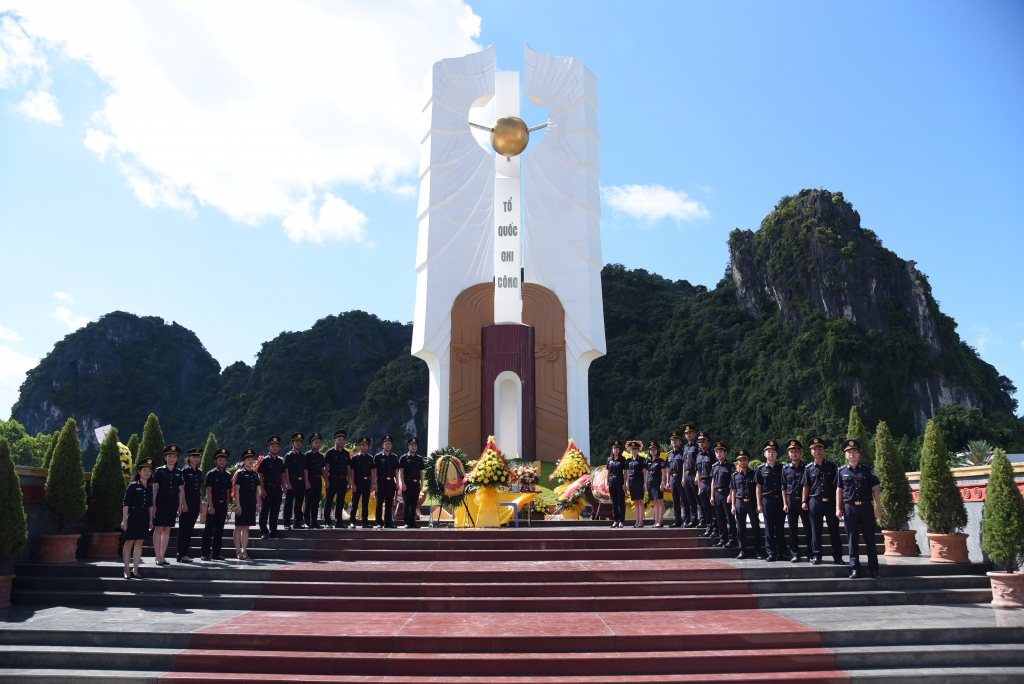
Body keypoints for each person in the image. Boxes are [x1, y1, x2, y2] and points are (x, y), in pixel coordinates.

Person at [837, 439, 882, 579]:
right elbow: (839, 490)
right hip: (850, 508)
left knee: (870, 539)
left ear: (859, 454)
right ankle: (855, 568)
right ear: (845, 455)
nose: (852, 454)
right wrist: (838, 508)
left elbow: (875, 488)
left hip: (866, 507)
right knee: (852, 539)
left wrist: (878, 506)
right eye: (849, 452)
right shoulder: (841, 471)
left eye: (854, 452)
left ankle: (873, 569)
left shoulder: (867, 470)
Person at [801, 437, 844, 565]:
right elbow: (806, 486)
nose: (817, 451)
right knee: (815, 530)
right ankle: (816, 555)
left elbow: (838, 486)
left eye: (820, 448)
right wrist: (804, 501)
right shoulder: (808, 468)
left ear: (824, 450)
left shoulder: (832, 466)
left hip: (830, 502)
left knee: (834, 530)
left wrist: (839, 504)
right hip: (815, 501)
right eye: (815, 449)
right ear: (811, 452)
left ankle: (837, 556)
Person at [121, 456, 155, 579]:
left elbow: (150, 504)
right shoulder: (133, 485)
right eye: (144, 470)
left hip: (144, 516)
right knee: (129, 542)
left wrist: (150, 520)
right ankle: (126, 569)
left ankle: (135, 569)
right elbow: (126, 503)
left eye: (149, 471)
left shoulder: (150, 487)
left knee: (139, 542)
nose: (147, 473)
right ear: (139, 472)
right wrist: (124, 519)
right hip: (134, 515)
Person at [151, 445, 185, 566]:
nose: (172, 458)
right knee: (158, 528)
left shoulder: (179, 472)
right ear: (165, 457)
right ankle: (157, 556)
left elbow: (181, 490)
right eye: (169, 456)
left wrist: (179, 505)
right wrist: (153, 505)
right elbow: (155, 489)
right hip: (161, 502)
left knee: (167, 529)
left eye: (174, 456)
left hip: (172, 503)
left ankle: (162, 555)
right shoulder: (160, 471)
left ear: (177, 458)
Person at [756, 440, 786, 562]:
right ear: (764, 454)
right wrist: (759, 503)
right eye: (768, 451)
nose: (771, 454)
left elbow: (784, 486)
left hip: (779, 500)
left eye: (773, 451)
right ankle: (771, 553)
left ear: (777, 454)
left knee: (780, 528)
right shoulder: (760, 469)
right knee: (768, 528)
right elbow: (758, 487)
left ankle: (782, 552)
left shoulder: (782, 468)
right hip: (767, 500)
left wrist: (785, 503)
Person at [729, 449, 763, 559]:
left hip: (752, 503)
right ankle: (742, 550)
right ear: (737, 462)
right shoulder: (734, 475)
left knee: (755, 527)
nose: (742, 462)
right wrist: (733, 505)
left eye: (744, 460)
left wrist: (759, 504)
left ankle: (758, 551)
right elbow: (733, 491)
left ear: (748, 461)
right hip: (740, 503)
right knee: (740, 528)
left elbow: (758, 489)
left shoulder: (754, 473)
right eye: (740, 460)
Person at [782, 439, 811, 563]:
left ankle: (811, 553)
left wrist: (805, 501)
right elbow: (783, 486)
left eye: (796, 451)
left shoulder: (807, 468)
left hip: (804, 501)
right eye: (791, 452)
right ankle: (795, 554)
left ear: (800, 453)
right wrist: (784, 503)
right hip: (791, 500)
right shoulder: (785, 469)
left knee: (808, 528)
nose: (794, 454)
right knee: (792, 529)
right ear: (788, 454)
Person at [201, 448, 232, 561]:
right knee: (209, 529)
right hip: (213, 504)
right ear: (216, 461)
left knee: (219, 530)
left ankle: (216, 553)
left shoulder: (227, 475)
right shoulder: (211, 474)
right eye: (220, 459)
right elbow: (208, 490)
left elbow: (228, 491)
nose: (222, 461)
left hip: (223, 505)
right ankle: (205, 553)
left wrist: (227, 506)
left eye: (224, 460)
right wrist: (210, 506)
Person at [176, 447, 204, 563]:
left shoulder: (199, 471)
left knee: (190, 528)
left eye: (198, 457)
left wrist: (201, 503)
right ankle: (180, 553)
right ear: (189, 458)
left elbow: (200, 489)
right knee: (184, 528)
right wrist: (183, 503)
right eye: (193, 457)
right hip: (186, 501)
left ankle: (184, 553)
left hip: (195, 502)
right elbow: (181, 489)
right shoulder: (185, 471)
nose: (196, 459)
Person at [257, 435, 286, 539]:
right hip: (267, 488)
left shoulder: (279, 460)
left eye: (277, 446)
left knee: (275, 510)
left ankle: (273, 531)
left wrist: (284, 487)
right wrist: (262, 489)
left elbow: (282, 475)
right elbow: (260, 475)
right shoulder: (265, 460)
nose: (275, 448)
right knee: (265, 510)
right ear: (268, 447)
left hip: (277, 488)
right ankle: (263, 531)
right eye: (273, 446)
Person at [233, 448, 260, 561]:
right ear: (243, 461)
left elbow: (256, 491)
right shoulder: (240, 473)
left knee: (246, 527)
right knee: (239, 526)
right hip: (242, 501)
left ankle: (245, 550)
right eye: (248, 459)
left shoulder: (254, 474)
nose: (250, 461)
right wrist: (238, 505)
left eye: (252, 459)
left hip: (250, 502)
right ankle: (238, 550)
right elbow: (236, 490)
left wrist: (258, 504)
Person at [710, 442, 737, 548]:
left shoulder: (730, 466)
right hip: (717, 493)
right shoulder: (714, 466)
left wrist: (730, 494)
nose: (719, 454)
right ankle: (723, 539)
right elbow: (713, 481)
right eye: (717, 452)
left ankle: (732, 539)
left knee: (730, 518)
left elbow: (733, 482)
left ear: (725, 453)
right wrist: (712, 495)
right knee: (720, 517)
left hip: (727, 493)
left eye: (721, 451)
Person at [323, 429, 351, 528]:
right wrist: (326, 480)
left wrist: (349, 481)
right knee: (329, 500)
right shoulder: (330, 452)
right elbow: (326, 467)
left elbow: (348, 468)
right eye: (339, 439)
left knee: (340, 501)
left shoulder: (346, 453)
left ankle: (339, 522)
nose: (341, 441)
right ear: (335, 440)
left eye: (343, 440)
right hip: (332, 478)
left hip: (343, 479)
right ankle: (327, 521)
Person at [374, 434, 401, 529]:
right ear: (383, 445)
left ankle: (388, 522)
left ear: (391, 445)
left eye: (389, 444)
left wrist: (397, 483)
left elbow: (396, 470)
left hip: (390, 483)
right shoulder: (377, 457)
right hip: (380, 481)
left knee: (389, 503)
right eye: (386, 444)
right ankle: (379, 522)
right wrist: (374, 483)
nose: (387, 445)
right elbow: (375, 470)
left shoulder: (394, 457)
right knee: (379, 502)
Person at [398, 437, 424, 528]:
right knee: (407, 503)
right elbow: (401, 471)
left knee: (414, 503)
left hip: (416, 483)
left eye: (415, 446)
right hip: (407, 483)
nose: (413, 447)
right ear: (408, 447)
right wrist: (402, 483)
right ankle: (406, 522)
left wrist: (422, 483)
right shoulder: (404, 458)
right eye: (412, 446)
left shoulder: (419, 458)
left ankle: (413, 521)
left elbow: (421, 472)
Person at [283, 433, 307, 529]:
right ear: (293, 443)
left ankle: (297, 522)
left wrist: (306, 481)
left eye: (300, 442)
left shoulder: (303, 456)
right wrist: (287, 483)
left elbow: (305, 469)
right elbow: (286, 470)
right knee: (289, 502)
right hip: (292, 480)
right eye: (296, 442)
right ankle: (287, 522)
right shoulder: (288, 455)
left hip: (301, 481)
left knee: (299, 502)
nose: (299, 443)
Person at [349, 437, 374, 529]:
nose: (364, 447)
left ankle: (365, 522)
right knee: (355, 502)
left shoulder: (370, 458)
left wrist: (373, 483)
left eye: (366, 445)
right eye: (363, 445)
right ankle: (352, 522)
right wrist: (352, 483)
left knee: (365, 503)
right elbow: (352, 471)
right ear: (360, 446)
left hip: (367, 481)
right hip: (357, 481)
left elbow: (372, 471)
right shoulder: (355, 458)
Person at [695, 431, 716, 537]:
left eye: (703, 441)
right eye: (699, 441)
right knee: (705, 507)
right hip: (702, 484)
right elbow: (698, 472)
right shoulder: (698, 456)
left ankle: (715, 529)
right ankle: (708, 528)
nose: (701, 443)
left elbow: (715, 473)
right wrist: (699, 487)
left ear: (707, 442)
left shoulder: (712, 455)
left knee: (713, 508)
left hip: (710, 483)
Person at [666, 430, 689, 527]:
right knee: (675, 501)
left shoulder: (683, 452)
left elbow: (685, 465)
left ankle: (687, 520)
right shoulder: (670, 454)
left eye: (676, 440)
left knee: (684, 500)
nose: (674, 442)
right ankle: (677, 521)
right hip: (672, 477)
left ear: (680, 441)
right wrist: (667, 481)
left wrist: (683, 478)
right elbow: (668, 468)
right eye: (672, 440)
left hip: (680, 477)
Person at [304, 432, 326, 528]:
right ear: (311, 443)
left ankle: (314, 522)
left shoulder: (321, 456)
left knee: (316, 501)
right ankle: (307, 521)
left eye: (319, 442)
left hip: (318, 479)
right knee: (308, 501)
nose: (318, 444)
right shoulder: (307, 455)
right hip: (310, 478)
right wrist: (306, 481)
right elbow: (305, 469)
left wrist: (326, 480)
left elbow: (322, 469)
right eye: (316, 442)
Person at [680, 425, 701, 527]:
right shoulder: (685, 447)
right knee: (690, 499)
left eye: (690, 433)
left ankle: (702, 520)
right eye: (686, 433)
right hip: (687, 475)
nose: (688, 435)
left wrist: (697, 474)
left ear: (694, 434)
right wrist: (683, 477)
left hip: (694, 474)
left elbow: (699, 462)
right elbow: (684, 462)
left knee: (698, 499)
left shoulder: (697, 446)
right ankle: (693, 520)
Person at [625, 440, 648, 528]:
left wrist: (645, 483)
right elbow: (626, 473)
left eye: (635, 450)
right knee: (635, 501)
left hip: (639, 481)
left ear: (638, 451)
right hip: (631, 481)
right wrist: (626, 483)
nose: (634, 451)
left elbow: (645, 472)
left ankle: (641, 521)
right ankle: (637, 520)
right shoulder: (628, 460)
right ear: (630, 451)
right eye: (632, 450)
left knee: (640, 501)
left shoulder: (642, 460)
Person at [605, 440, 627, 528]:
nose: (616, 450)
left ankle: (621, 521)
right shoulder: (609, 460)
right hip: (611, 481)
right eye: (614, 448)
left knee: (621, 502)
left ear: (620, 450)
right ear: (612, 450)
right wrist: (607, 483)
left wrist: (625, 483)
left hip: (619, 480)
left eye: (617, 448)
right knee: (614, 502)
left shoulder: (622, 460)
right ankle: (615, 520)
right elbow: (607, 472)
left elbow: (625, 473)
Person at [646, 441, 668, 527]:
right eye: (651, 450)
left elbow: (663, 473)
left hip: (658, 481)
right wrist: (646, 483)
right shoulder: (648, 461)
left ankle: (660, 521)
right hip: (650, 482)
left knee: (659, 500)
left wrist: (662, 482)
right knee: (654, 502)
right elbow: (647, 473)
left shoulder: (660, 461)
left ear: (657, 450)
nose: (653, 451)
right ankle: (656, 521)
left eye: (654, 449)